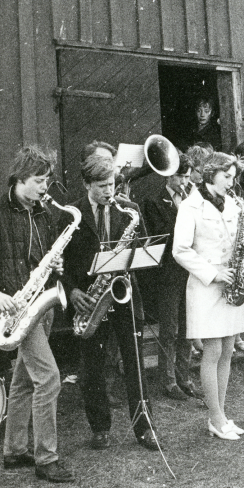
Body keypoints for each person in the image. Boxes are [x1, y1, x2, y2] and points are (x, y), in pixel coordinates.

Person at [0, 145, 74, 482]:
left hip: (42, 304)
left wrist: (55, 263)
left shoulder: (43, 213)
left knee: (24, 380)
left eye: (47, 181)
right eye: (39, 181)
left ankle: (14, 450)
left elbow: (40, 257)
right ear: (20, 178)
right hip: (18, 309)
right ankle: (46, 458)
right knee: (49, 377)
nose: (44, 188)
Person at [61, 155, 158, 451]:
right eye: (101, 185)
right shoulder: (71, 213)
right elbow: (59, 261)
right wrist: (73, 290)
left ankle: (145, 428)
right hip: (89, 298)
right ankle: (100, 427)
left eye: (112, 184)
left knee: (134, 364)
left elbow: (140, 248)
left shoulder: (127, 209)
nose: (108, 191)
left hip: (123, 292)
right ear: (86, 184)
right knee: (92, 367)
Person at [173, 152, 244, 439]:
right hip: (207, 285)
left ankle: (220, 415)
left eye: (233, 177)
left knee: (227, 350)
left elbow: (234, 237)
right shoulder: (190, 206)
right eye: (226, 177)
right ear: (211, 173)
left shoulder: (234, 203)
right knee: (212, 351)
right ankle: (215, 417)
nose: (231, 182)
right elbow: (180, 250)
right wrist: (212, 273)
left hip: (232, 279)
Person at [140, 154, 197, 400]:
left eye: (187, 176)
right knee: (170, 328)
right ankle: (168, 380)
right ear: (168, 175)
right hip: (169, 274)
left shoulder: (192, 200)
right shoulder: (154, 202)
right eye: (180, 176)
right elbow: (165, 236)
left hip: (190, 272)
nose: (184, 181)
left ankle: (184, 377)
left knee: (188, 327)